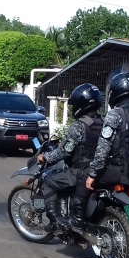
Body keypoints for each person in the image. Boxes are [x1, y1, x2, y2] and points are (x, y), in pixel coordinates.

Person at [36, 83, 103, 231]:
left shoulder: (79, 126)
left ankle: (55, 223)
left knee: (48, 180)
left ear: (81, 104)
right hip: (98, 171)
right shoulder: (104, 123)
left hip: (79, 171)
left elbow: (64, 151)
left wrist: (46, 157)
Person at [86, 72, 129, 192]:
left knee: (82, 176)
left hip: (120, 171)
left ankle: (78, 211)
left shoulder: (116, 113)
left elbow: (103, 147)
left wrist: (92, 174)